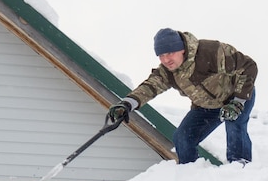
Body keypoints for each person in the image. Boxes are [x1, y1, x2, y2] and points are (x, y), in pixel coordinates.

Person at [108, 28, 258, 164]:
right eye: (161, 55)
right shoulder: (168, 72)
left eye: (170, 53)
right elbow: (150, 87)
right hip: (206, 107)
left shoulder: (210, 52)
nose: (166, 60)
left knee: (234, 125)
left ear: (182, 50)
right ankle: (190, 173)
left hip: (237, 96)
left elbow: (248, 66)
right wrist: (127, 104)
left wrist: (238, 101)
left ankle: (240, 168)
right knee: (183, 137)